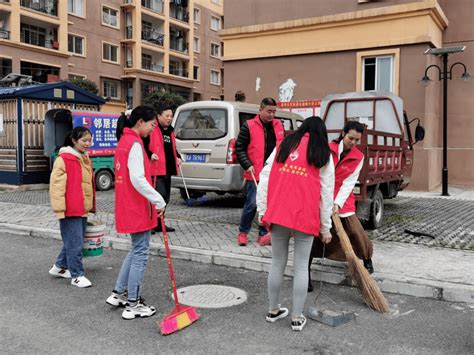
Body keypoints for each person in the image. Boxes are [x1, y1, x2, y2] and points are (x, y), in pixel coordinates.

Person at [257, 116, 334, 331]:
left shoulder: (284, 145)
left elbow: (265, 176)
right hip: (305, 216)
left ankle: (273, 310)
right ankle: (297, 317)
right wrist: (325, 227)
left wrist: (262, 210)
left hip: (278, 211)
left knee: (277, 262)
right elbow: (326, 194)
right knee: (301, 266)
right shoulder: (323, 154)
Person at [106, 106, 166, 320]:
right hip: (136, 206)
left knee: (136, 249)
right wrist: (158, 199)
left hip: (128, 204)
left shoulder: (124, 141)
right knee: (141, 252)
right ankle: (133, 303)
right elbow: (138, 179)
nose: (152, 129)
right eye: (151, 125)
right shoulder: (134, 143)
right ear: (140, 122)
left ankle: (118, 293)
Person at [308, 121, 374, 292]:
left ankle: (366, 259)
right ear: (343, 133)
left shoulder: (359, 157)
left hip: (342, 198)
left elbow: (349, 183)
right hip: (321, 196)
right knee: (314, 234)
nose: (353, 142)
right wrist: (326, 202)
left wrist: (337, 203)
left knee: (354, 230)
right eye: (350, 138)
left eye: (357, 140)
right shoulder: (327, 148)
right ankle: (305, 272)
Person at [49, 126, 95, 288]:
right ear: (74, 140)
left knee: (75, 239)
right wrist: (60, 209)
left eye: (90, 140)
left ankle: (59, 266)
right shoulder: (64, 159)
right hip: (70, 207)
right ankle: (76, 275)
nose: (88, 143)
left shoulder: (83, 157)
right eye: (84, 140)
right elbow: (56, 187)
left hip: (81, 206)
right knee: (75, 242)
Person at [235, 97, 284, 246]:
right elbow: (239, 148)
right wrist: (247, 164)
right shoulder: (248, 126)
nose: (272, 115)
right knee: (252, 204)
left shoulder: (278, 125)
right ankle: (243, 233)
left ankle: (263, 233)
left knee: (268, 205)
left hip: (273, 173)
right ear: (260, 110)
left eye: (274, 112)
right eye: (269, 111)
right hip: (254, 172)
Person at [144, 104, 181, 233]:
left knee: (165, 198)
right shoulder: (152, 128)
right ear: (158, 116)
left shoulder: (170, 130)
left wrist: (178, 156)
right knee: (157, 197)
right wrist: (149, 154)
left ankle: (160, 223)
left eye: (171, 116)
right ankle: (151, 224)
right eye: (167, 116)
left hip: (168, 169)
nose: (170, 118)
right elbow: (143, 143)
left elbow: (173, 148)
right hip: (156, 169)